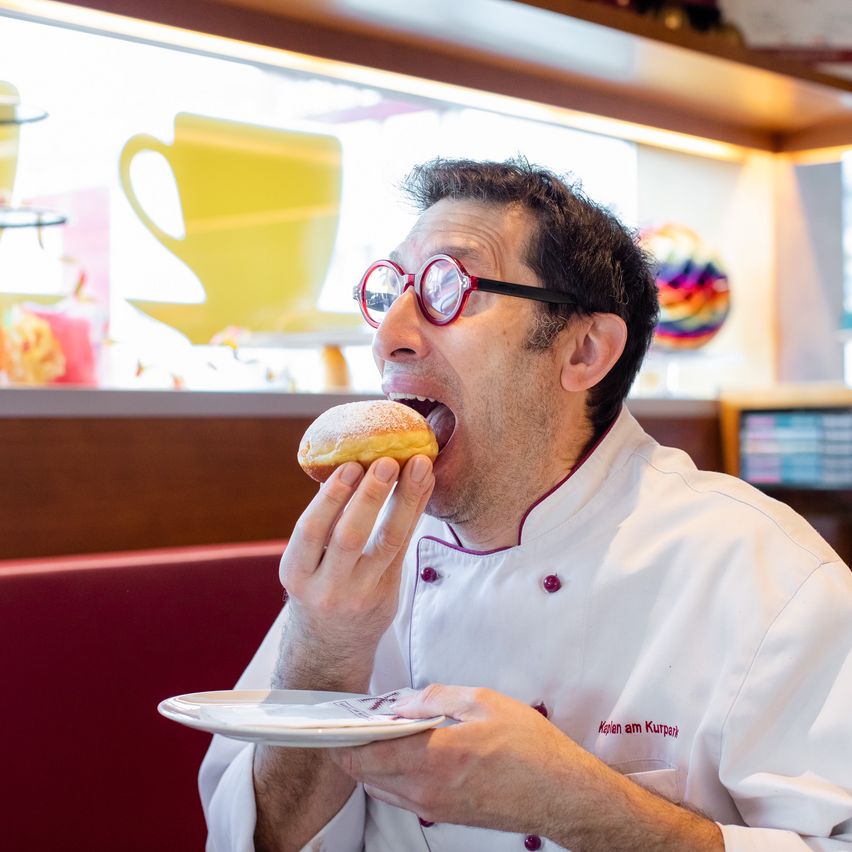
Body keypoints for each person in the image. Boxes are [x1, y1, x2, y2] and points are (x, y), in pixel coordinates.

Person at [200, 158, 852, 851]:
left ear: (583, 351)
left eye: (447, 288)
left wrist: (579, 805)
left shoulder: (762, 572)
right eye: (389, 290)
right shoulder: (362, 565)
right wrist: (323, 651)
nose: (389, 333)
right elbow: (257, 838)